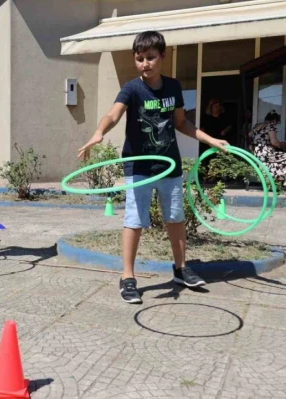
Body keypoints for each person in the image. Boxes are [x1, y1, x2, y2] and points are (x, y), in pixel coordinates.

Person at [77, 31, 228, 304]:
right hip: (139, 166)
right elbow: (113, 113)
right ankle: (127, 277)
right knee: (134, 221)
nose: (145, 64)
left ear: (162, 57)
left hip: (169, 165)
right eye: (139, 59)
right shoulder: (132, 88)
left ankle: (181, 269)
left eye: (150, 58)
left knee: (175, 218)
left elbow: (182, 123)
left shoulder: (173, 87)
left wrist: (210, 139)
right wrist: (99, 132)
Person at [248, 111, 286, 188]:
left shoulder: (257, 126)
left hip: (256, 153)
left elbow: (250, 135)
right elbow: (274, 142)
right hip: (265, 153)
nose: (276, 124)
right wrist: (282, 144)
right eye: (276, 122)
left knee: (277, 159)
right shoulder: (270, 126)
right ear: (274, 120)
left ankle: (282, 180)